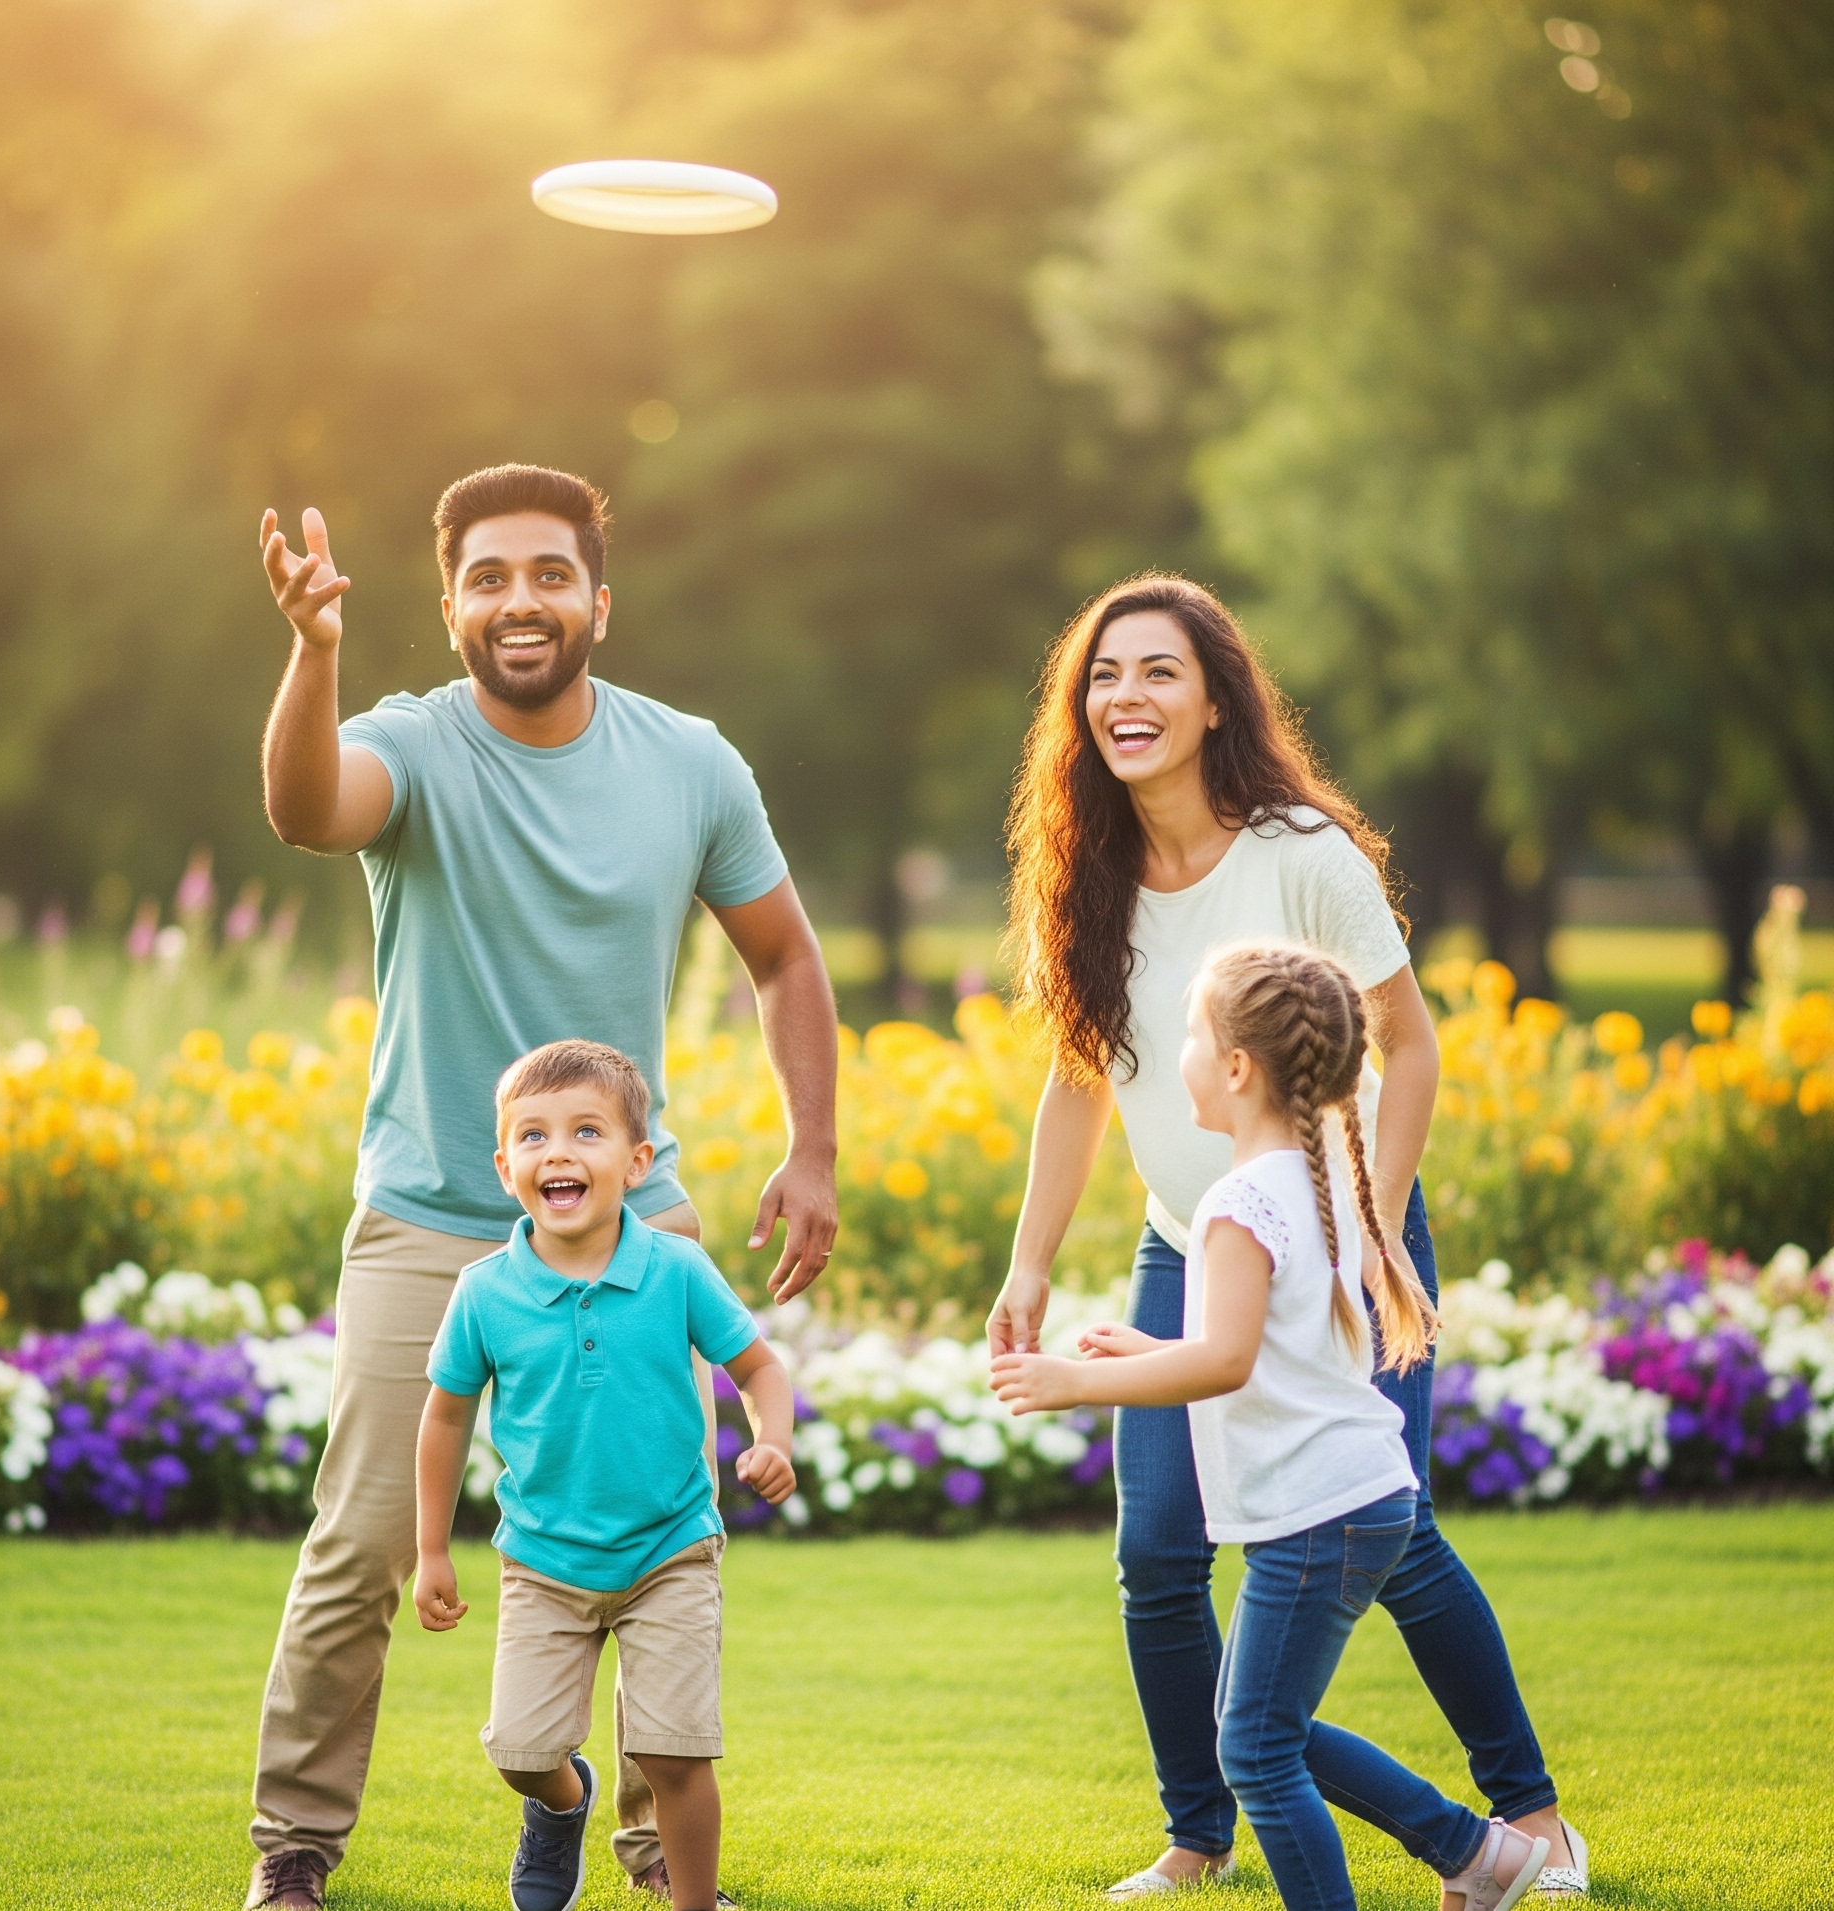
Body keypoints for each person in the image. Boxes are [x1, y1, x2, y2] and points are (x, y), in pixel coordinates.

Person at [246, 464, 840, 1911]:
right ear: (450, 603)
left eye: (549, 573)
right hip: (432, 1213)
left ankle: (651, 1849)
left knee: (657, 1528)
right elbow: (307, 808)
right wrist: (314, 653)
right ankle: (294, 1851)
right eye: (491, 576)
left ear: (598, 598)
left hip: (635, 1217)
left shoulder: (690, 759)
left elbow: (785, 956)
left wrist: (812, 1146)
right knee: (363, 1540)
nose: (522, 599)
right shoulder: (410, 743)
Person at [988, 574, 1586, 1898]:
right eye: (1102, 675)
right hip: (1187, 1239)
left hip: (1345, 1226)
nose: (1124, 698)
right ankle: (1200, 1830)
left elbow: (1410, 1045)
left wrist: (1368, 1225)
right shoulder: (1085, 875)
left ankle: (1530, 1814)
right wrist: (1028, 1262)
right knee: (1158, 1551)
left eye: (1156, 672)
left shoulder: (1303, 851)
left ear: (1214, 699)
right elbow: (1081, 1079)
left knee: (1390, 1521)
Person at [992, 944, 1552, 1911]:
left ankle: (1471, 1855)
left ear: (1238, 1068)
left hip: (1317, 1517)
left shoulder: (1238, 1203)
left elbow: (1224, 1359)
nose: (1181, 1058)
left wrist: (1077, 1379)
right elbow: (1262, 1341)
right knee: (1261, 1726)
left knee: (1252, 1744)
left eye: (1194, 1036)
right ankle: (1480, 1854)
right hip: (1359, 1500)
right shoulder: (1323, 1185)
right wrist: (1136, 1347)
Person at [414, 1040, 797, 1911]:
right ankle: (564, 1805)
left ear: (636, 1162)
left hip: (671, 1547)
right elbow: (445, 1415)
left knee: (674, 1753)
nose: (559, 1151)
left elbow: (761, 1368)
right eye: (535, 1135)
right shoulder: (484, 1293)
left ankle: (695, 1903)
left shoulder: (675, 1269)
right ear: (505, 1163)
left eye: (586, 1131)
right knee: (518, 1749)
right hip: (544, 1560)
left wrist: (773, 1437)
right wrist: (431, 1548)